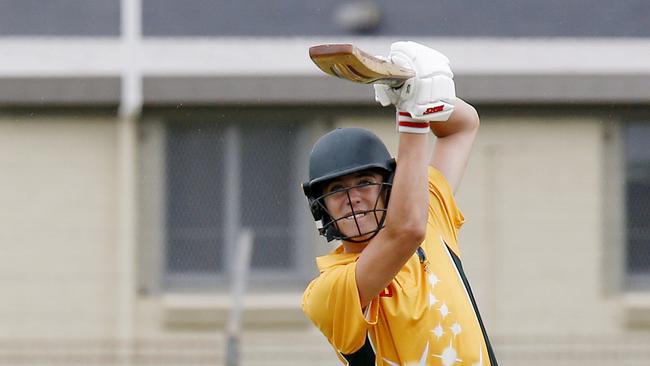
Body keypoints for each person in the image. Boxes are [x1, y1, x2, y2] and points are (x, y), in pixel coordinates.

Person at [301, 41, 498, 366]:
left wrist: (431, 96)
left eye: (365, 183)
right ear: (322, 207)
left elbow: (462, 128)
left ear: (388, 187)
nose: (353, 199)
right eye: (337, 190)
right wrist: (413, 115)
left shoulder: (429, 211)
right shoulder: (327, 293)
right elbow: (406, 232)